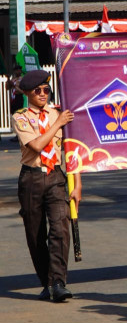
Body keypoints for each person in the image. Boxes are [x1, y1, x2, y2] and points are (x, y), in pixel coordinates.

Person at [13, 69, 82, 302]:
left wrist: (78, 182)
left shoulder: (59, 113)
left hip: (55, 177)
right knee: (35, 234)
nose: (43, 94)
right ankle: (46, 282)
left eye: (46, 90)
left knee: (60, 228)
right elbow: (37, 146)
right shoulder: (20, 117)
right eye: (38, 90)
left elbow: (73, 148)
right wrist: (58, 123)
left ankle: (59, 282)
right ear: (27, 93)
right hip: (31, 178)